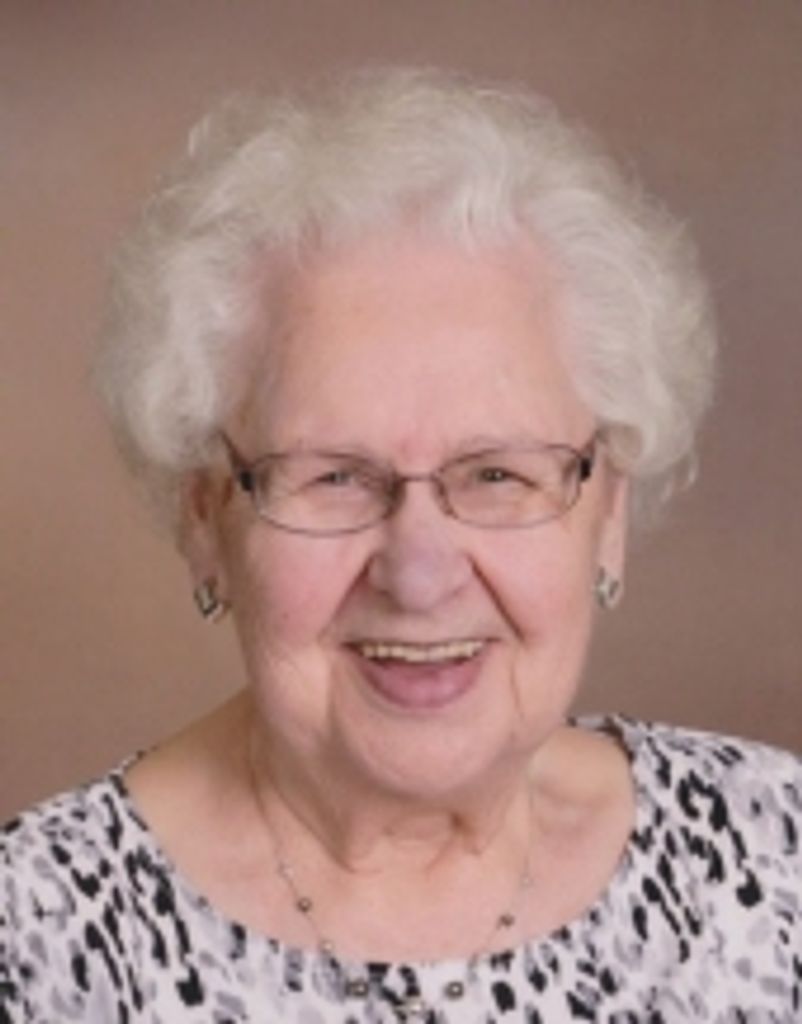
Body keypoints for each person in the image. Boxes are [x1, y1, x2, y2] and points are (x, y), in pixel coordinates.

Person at [1, 68, 799, 1024]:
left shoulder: (772, 859)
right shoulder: (35, 944)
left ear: (609, 514)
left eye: (496, 474)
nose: (419, 573)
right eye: (335, 477)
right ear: (207, 519)